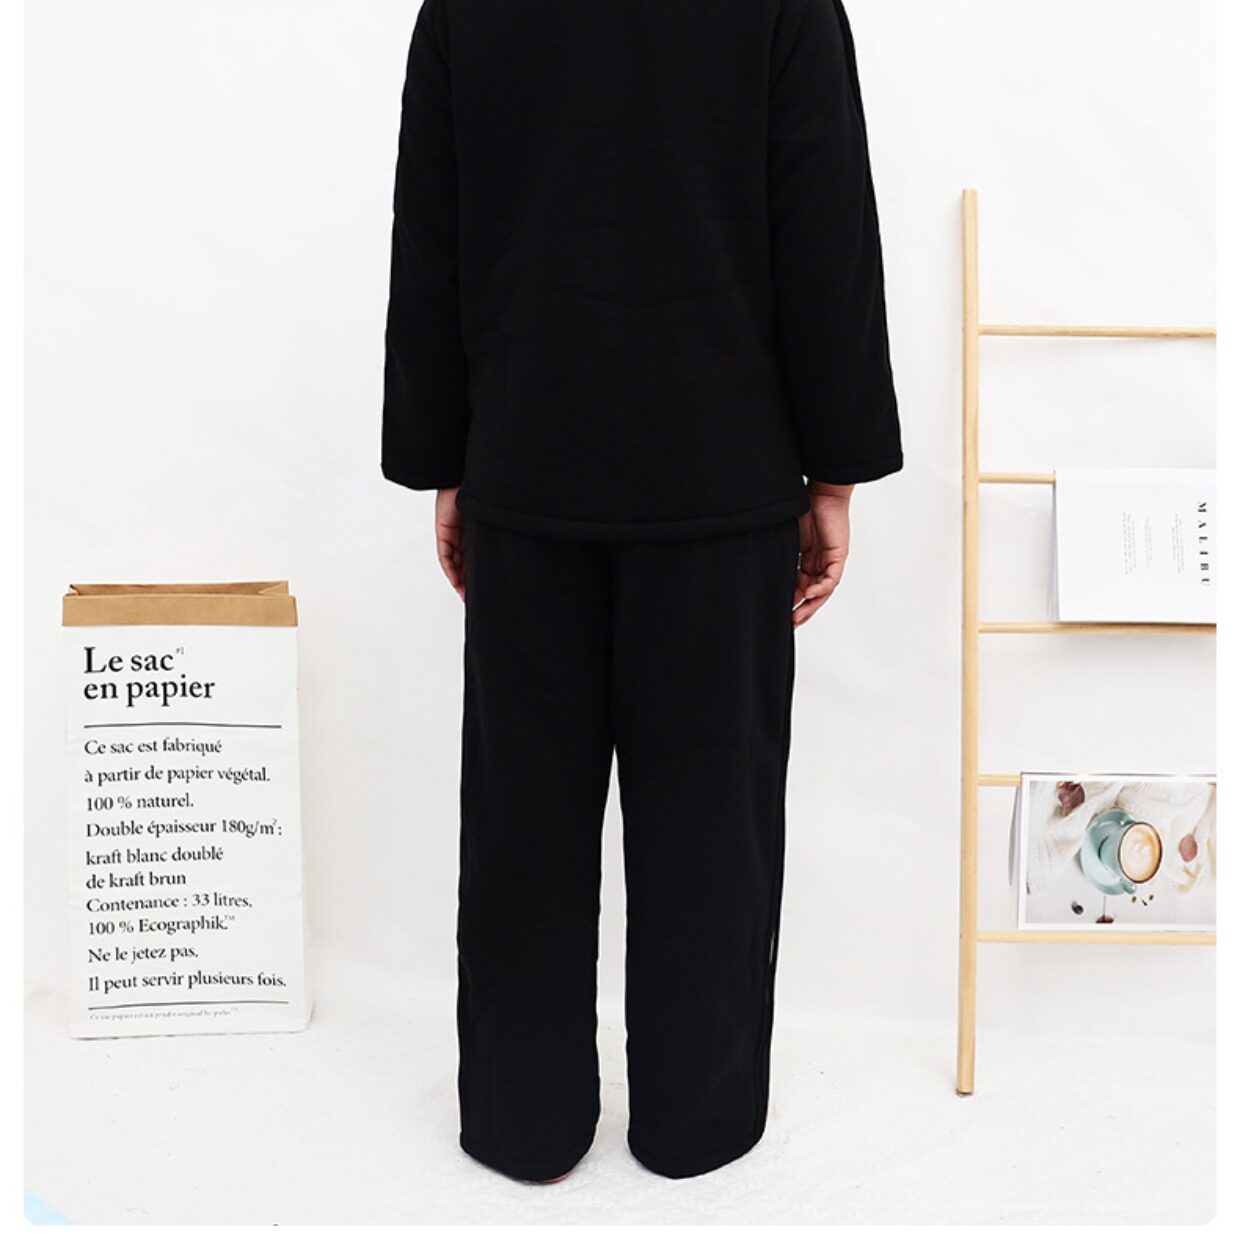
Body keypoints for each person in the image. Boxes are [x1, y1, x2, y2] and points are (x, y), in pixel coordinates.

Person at [382, 0, 901, 1183]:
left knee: (520, 827)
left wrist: (448, 460)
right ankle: (696, 1122)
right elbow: (824, 226)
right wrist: (833, 472)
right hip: (720, 477)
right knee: (713, 827)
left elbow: (433, 234)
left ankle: (521, 1122)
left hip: (528, 465)